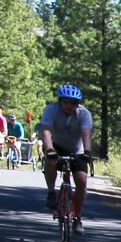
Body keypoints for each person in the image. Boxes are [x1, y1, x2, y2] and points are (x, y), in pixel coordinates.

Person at [39, 84, 95, 232]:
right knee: (50, 161)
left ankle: (77, 218)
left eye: (74, 103)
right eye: (66, 102)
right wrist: (49, 149)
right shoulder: (51, 110)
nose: (70, 105)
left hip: (77, 149)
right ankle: (51, 192)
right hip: (56, 145)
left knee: (82, 180)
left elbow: (86, 133)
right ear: (60, 101)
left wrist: (88, 151)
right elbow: (46, 131)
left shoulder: (84, 114)